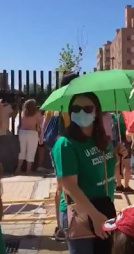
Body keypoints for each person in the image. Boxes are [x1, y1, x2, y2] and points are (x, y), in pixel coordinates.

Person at [52, 92, 119, 254]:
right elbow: (69, 186)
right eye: (76, 108)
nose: (81, 112)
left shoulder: (102, 139)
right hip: (81, 212)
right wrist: (94, 216)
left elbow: (107, 171)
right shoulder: (66, 144)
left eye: (88, 108)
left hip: (104, 207)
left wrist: (117, 155)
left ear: (96, 112)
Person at [41, 73, 78, 241]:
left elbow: (45, 124)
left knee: (60, 186)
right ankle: (66, 224)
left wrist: (43, 140)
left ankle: (60, 225)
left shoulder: (55, 99)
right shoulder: (73, 101)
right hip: (69, 146)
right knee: (67, 186)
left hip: (56, 147)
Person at [15, 99, 43, 175]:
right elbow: (41, 123)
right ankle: (28, 170)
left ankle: (18, 168)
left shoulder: (23, 113)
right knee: (31, 151)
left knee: (22, 151)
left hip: (22, 132)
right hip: (32, 132)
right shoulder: (37, 113)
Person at [112, 112, 134, 193]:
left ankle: (118, 185)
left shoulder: (113, 116)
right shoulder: (126, 115)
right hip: (125, 141)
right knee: (127, 165)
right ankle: (126, 186)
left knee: (117, 164)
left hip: (114, 141)